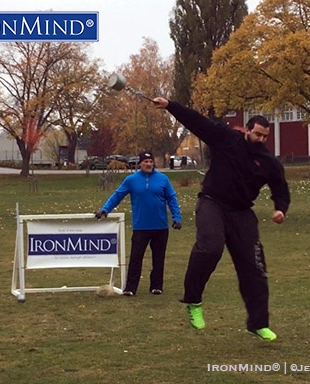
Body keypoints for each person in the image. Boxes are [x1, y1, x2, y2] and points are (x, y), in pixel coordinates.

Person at [153, 98, 290, 341]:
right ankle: (193, 300)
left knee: (255, 268)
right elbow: (198, 123)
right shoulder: (227, 139)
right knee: (210, 248)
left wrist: (280, 208)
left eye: (265, 137)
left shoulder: (269, 162)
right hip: (212, 202)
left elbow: (280, 188)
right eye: (257, 134)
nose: (261, 140)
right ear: (247, 130)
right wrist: (171, 105)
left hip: (241, 213)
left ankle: (258, 323)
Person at [95, 151, 182, 296]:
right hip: (141, 226)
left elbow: (171, 198)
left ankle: (156, 286)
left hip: (160, 226)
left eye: (151, 161)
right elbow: (117, 195)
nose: (148, 164)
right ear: (140, 163)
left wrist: (177, 217)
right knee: (136, 258)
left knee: (158, 258)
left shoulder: (163, 179)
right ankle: (130, 288)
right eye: (146, 162)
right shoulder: (131, 180)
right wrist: (105, 209)